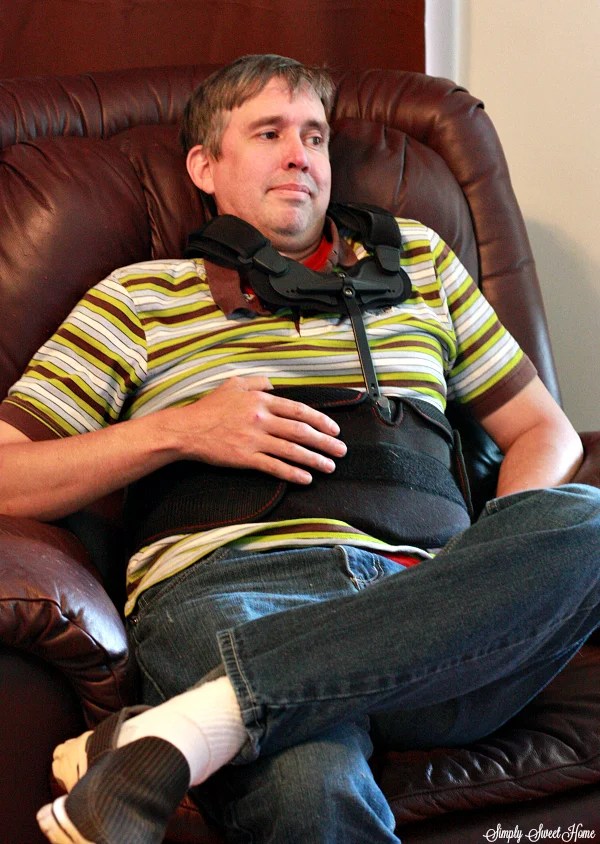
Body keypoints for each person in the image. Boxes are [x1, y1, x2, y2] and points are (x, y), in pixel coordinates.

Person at [0, 54, 597, 844]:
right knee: (308, 783)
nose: (300, 155)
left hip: (438, 607)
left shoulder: (421, 264)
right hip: (234, 595)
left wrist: (487, 570)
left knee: (587, 521)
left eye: (314, 136)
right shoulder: (138, 298)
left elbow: (545, 432)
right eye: (269, 133)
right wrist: (179, 430)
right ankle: (224, 715)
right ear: (203, 166)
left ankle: (189, 726)